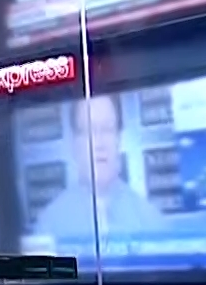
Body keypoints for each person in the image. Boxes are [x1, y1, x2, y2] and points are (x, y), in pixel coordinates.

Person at [30, 95, 170, 255]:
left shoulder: (152, 221)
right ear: (74, 143)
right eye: (88, 131)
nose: (99, 143)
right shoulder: (49, 225)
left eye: (107, 130)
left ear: (119, 138)